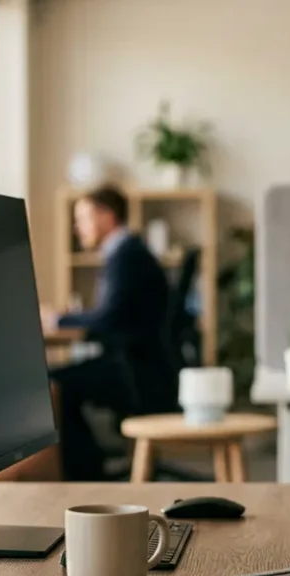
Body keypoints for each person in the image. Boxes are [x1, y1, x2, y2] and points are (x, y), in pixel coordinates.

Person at [42, 185, 174, 480]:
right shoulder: (128, 252)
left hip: (136, 371)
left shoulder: (127, 255)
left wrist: (59, 320)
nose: (77, 228)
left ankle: (84, 475)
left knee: (55, 384)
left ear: (106, 216)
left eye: (84, 217)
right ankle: (88, 467)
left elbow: (108, 317)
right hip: (140, 364)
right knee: (60, 379)